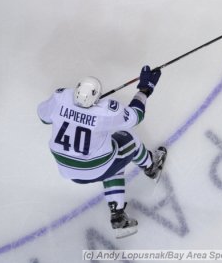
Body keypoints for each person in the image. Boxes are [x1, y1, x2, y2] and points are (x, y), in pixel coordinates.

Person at [37, 66, 167, 238]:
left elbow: (43, 117)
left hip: (69, 171)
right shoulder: (105, 111)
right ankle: (152, 166)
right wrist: (145, 88)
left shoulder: (61, 98)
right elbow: (136, 116)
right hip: (97, 165)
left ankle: (118, 217)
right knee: (129, 139)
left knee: (112, 163)